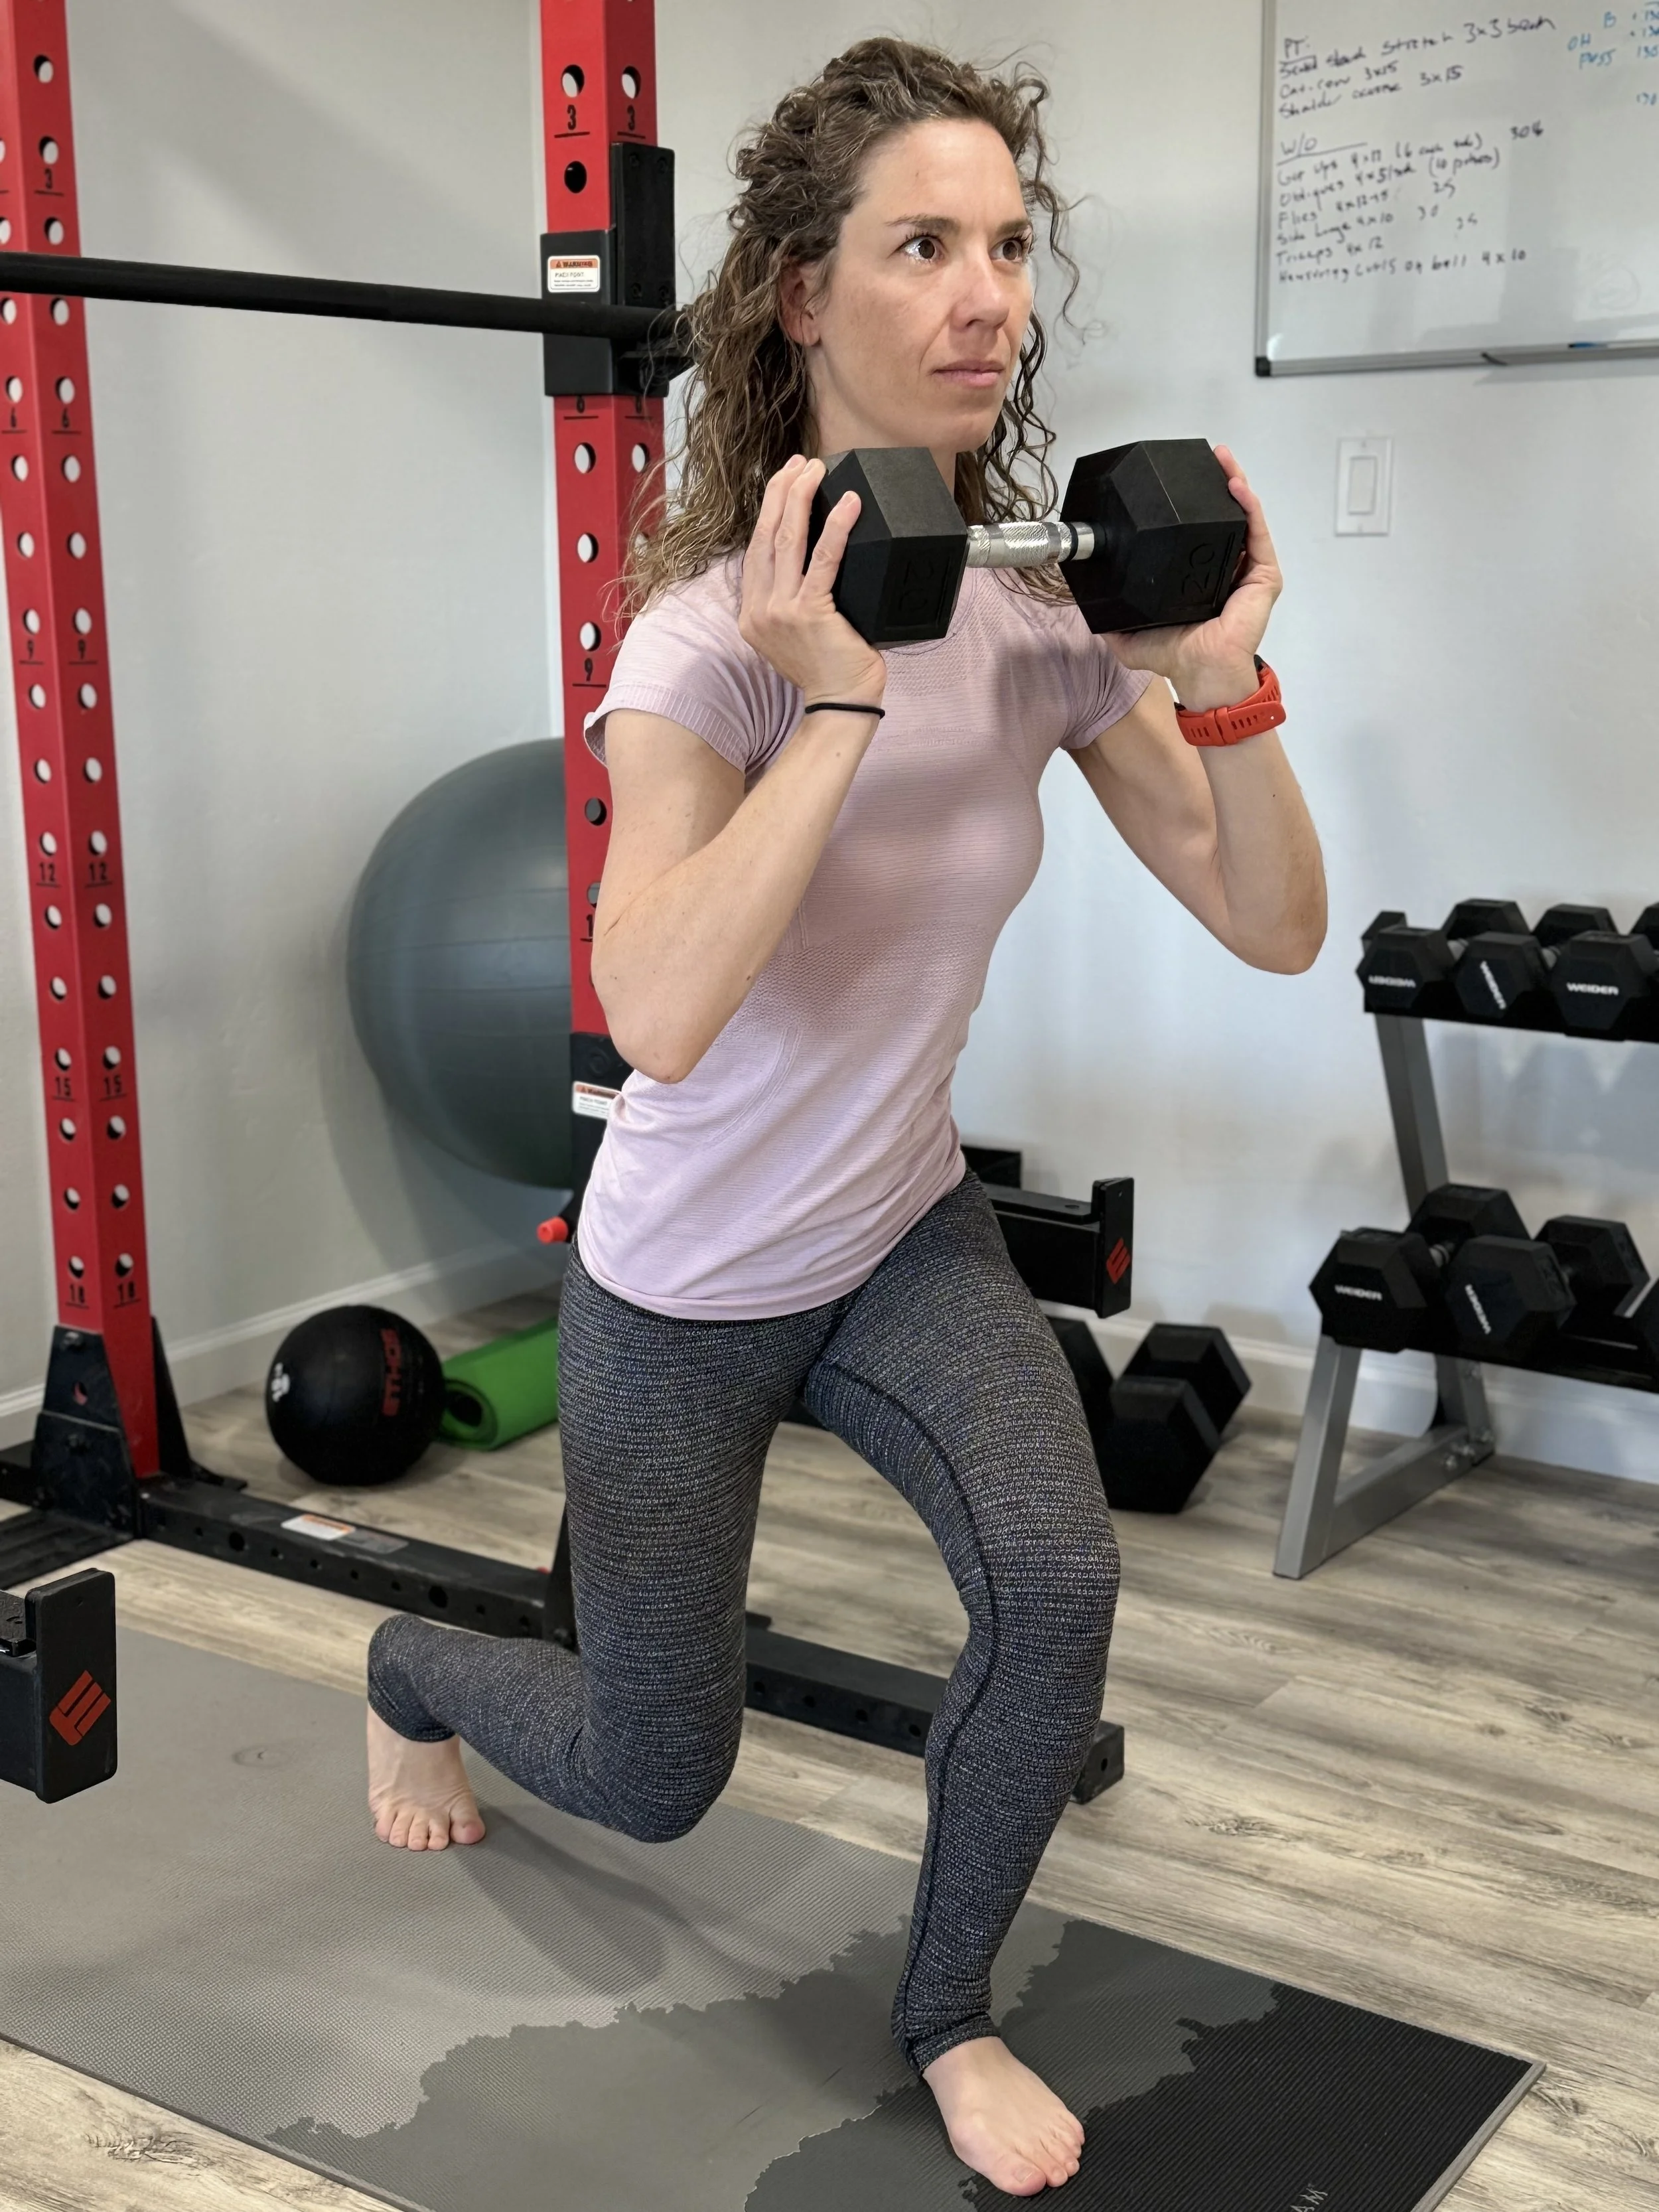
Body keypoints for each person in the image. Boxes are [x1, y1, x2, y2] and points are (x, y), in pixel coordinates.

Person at [363, 35, 1325, 2199]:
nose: (986, 296)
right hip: (682, 1282)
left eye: (1005, 247)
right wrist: (840, 693)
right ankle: (411, 1664)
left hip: (893, 1236)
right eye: (922, 247)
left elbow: (1271, 923)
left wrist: (1214, 671)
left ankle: (944, 2006)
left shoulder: (1041, 617)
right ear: (805, 297)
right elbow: (661, 1008)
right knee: (655, 1766)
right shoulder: (703, 642)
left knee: (1056, 1587)